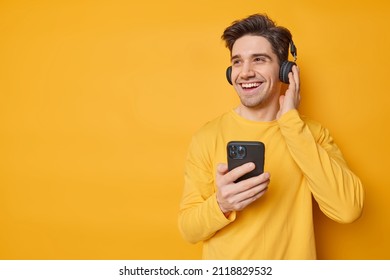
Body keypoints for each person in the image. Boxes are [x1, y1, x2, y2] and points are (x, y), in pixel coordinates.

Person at [178, 13, 364, 259]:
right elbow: (188, 230)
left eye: (259, 59)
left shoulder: (312, 134)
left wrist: (290, 123)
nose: (245, 73)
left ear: (286, 71)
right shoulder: (207, 136)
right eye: (237, 62)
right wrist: (221, 205)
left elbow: (348, 209)